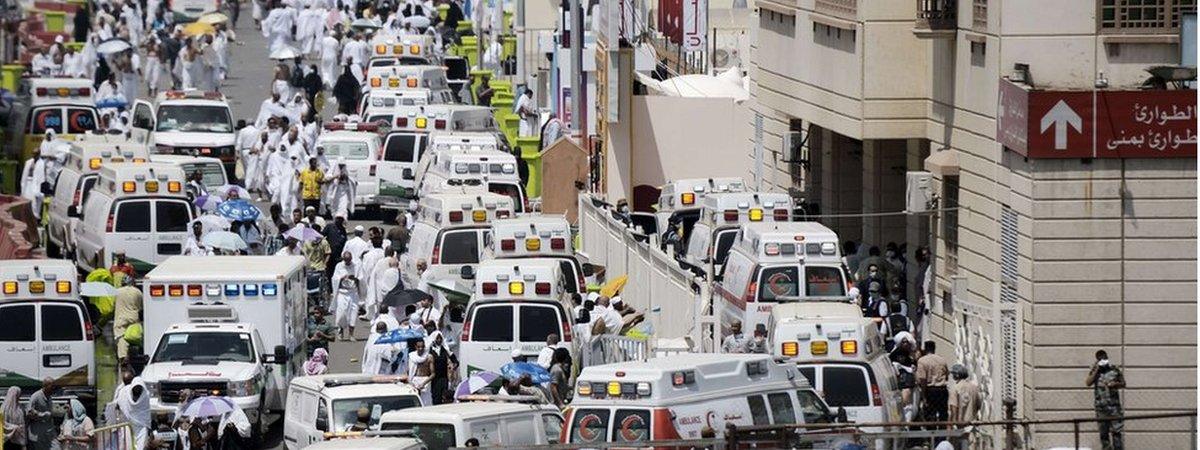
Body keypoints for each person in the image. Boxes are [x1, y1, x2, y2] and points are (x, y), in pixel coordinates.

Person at [1086, 349, 1125, 450]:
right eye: (1100, 358)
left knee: (1117, 433)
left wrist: (1115, 384)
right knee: (1104, 434)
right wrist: (1096, 369)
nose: (1103, 359)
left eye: (1104, 357)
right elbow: (1088, 383)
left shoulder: (1114, 369)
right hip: (1101, 408)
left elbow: (1123, 383)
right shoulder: (1095, 370)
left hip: (1114, 407)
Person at [916, 340, 950, 423]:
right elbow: (946, 375)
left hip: (930, 390)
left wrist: (923, 396)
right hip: (942, 389)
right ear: (934, 349)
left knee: (930, 414)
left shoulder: (922, 361)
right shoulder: (942, 360)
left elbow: (923, 379)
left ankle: (932, 433)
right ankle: (942, 435)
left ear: (925, 349)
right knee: (943, 414)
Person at [331, 252, 361, 339]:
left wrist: (355, 278)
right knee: (342, 312)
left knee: (353, 313)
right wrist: (341, 278)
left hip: (353, 292)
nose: (348, 263)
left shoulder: (356, 266)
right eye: (346, 261)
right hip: (342, 292)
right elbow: (334, 278)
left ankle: (351, 334)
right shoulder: (339, 266)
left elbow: (361, 278)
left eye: (349, 261)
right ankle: (341, 331)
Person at [113, 276, 143, 362]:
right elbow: (141, 306)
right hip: (134, 318)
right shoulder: (138, 292)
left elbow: (113, 304)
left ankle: (123, 356)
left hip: (121, 318)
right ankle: (138, 353)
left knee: (121, 337)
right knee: (134, 335)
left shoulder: (117, 291)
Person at [25, 378, 56, 450]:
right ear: (45, 386)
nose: (53, 388)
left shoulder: (49, 397)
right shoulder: (36, 396)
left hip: (49, 433)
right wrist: (43, 415)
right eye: (52, 386)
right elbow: (29, 413)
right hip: (38, 434)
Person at [407, 339, 432, 405]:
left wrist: (423, 383)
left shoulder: (429, 357)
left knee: (426, 403)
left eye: (422, 347)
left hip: (425, 381)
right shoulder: (412, 356)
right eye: (419, 347)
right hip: (414, 381)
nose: (420, 349)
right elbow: (408, 371)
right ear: (415, 347)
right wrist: (411, 383)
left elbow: (433, 374)